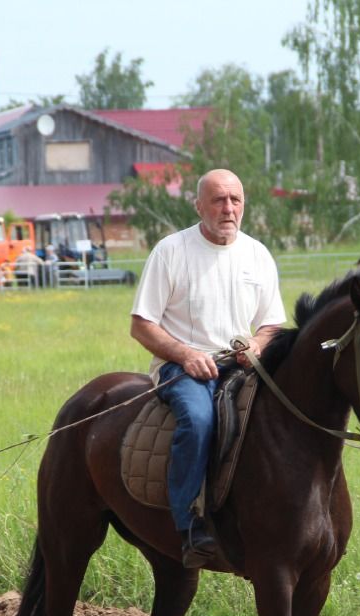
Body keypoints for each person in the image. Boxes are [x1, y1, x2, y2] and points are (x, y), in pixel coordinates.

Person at [130, 168, 286, 568]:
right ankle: (189, 527)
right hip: (183, 370)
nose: (228, 208)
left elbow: (273, 323)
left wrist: (257, 343)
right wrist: (185, 355)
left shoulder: (257, 254)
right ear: (199, 205)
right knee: (199, 420)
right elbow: (141, 324)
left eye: (235, 200)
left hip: (241, 367)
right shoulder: (171, 251)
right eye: (218, 200)